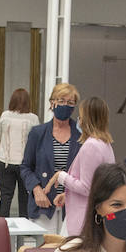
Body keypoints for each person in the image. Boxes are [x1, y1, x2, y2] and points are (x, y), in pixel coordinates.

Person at [20, 83, 81, 232]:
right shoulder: (37, 133)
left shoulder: (81, 136)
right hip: (44, 204)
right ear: (52, 103)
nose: (65, 105)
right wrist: (36, 189)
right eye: (61, 101)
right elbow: (25, 167)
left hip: (72, 206)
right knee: (43, 251)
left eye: (70, 102)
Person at [56, 96, 114, 236]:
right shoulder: (105, 145)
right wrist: (68, 194)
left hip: (83, 220)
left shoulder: (91, 146)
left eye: (81, 117)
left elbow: (87, 187)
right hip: (92, 217)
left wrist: (62, 177)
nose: (78, 121)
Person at [0, 88, 39, 217]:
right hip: (25, 164)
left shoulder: (5, 115)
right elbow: (35, 141)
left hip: (4, 161)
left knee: (5, 196)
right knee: (24, 196)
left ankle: (1, 226)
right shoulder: (33, 118)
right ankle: (24, 229)